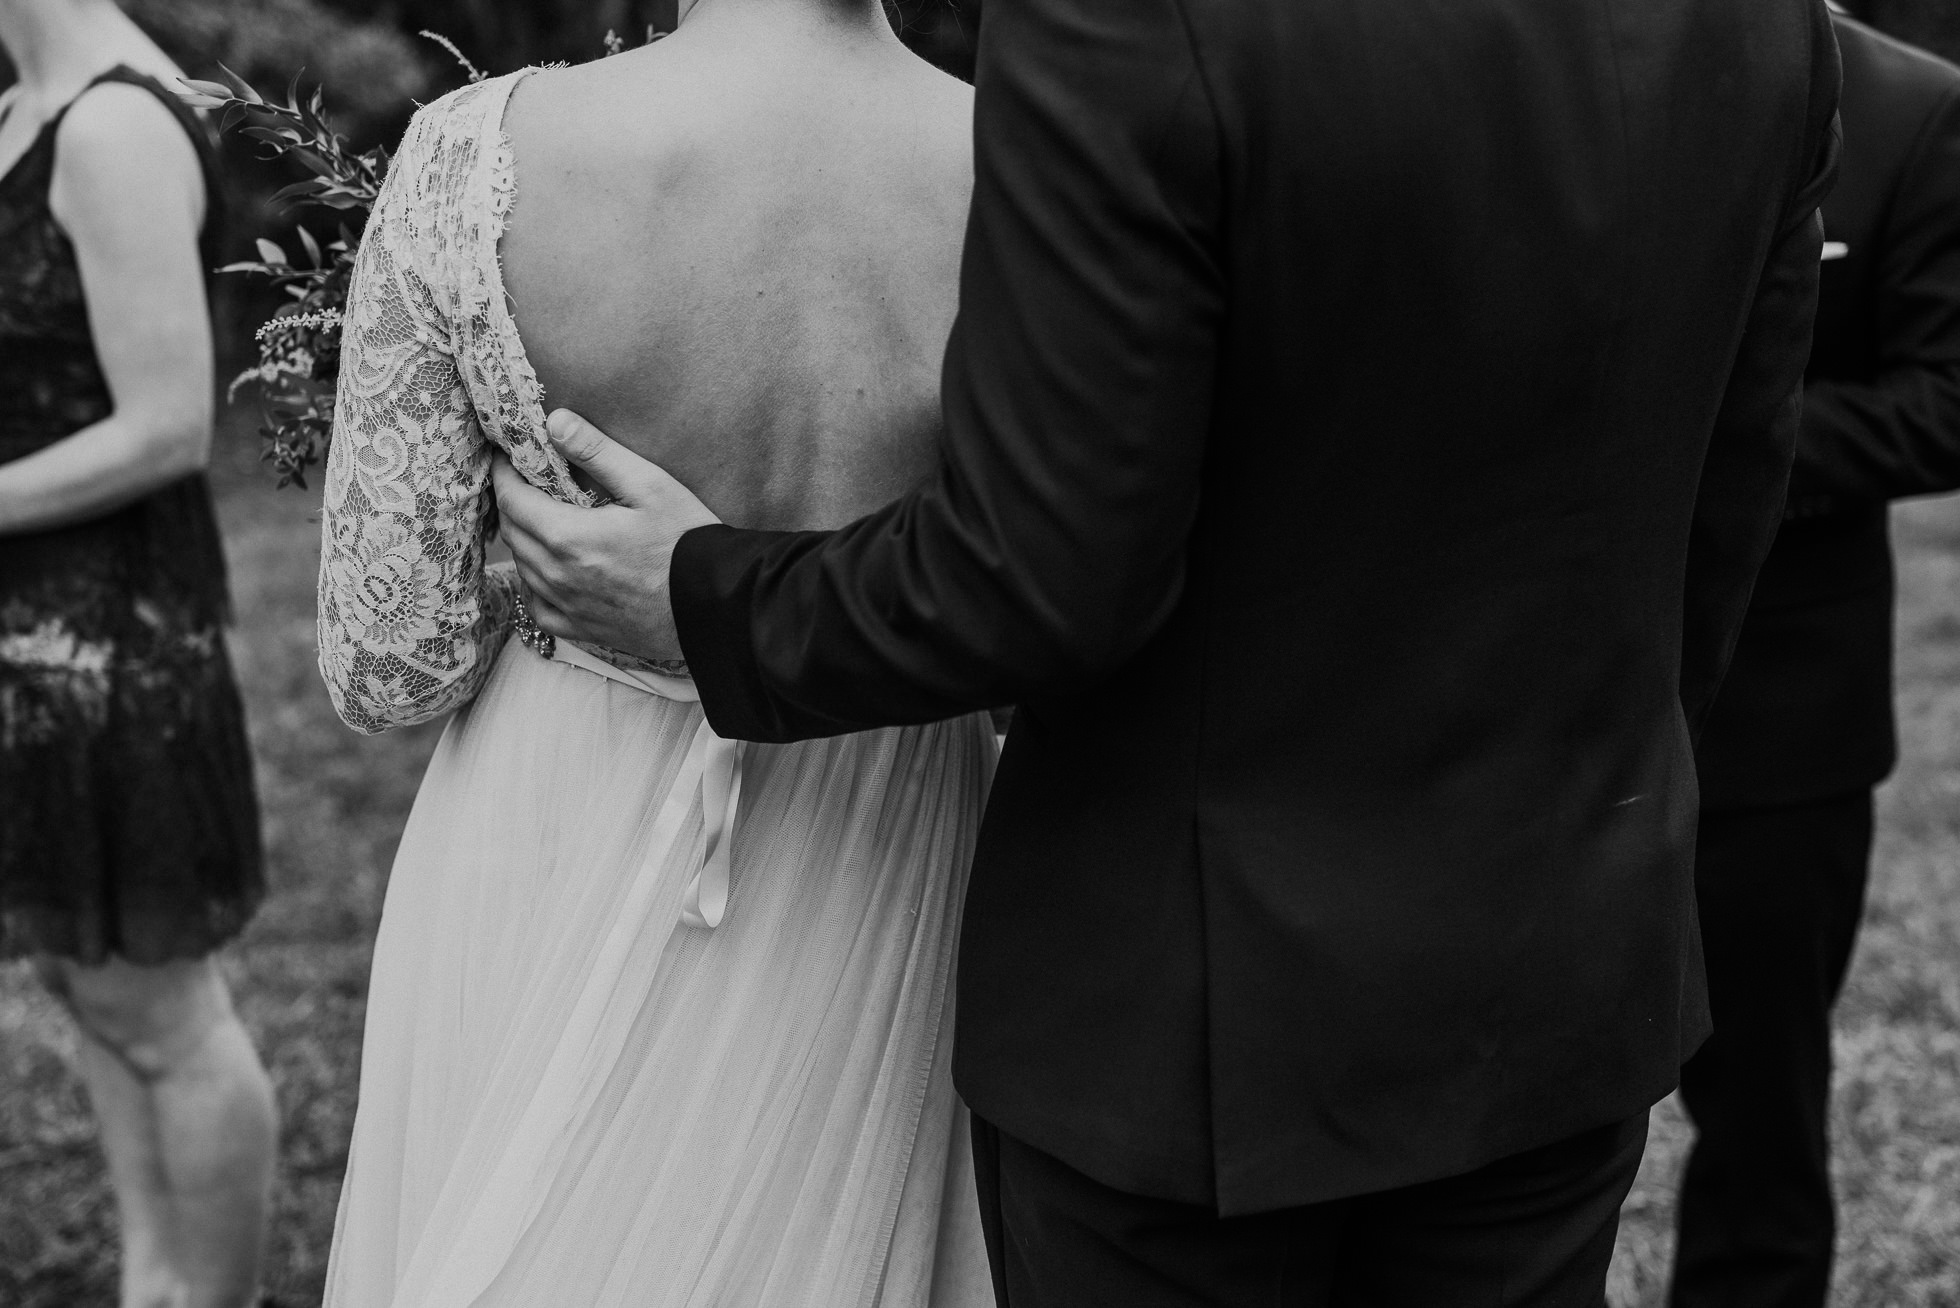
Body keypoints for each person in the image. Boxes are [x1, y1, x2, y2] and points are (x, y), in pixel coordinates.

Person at [492, 0, 1845, 1302]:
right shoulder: (1762, 22)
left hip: (1199, 1031)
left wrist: (708, 599)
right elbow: (1728, 500)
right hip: (1560, 964)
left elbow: (1044, 574)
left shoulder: (1133, 17)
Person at [314, 1, 994, 1303]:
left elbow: (388, 662)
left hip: (561, 812)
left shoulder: (480, 154)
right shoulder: (1027, 170)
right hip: (888, 811)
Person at [1672, 11, 1960, 1308]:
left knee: (1760, 1132)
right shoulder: (1587, 76)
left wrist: (1724, 443)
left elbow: (1945, 405)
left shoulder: (1919, 108)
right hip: (1551, 707)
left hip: (1783, 733)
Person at [0, 1, 276, 1306]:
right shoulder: (30, 111)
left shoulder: (111, 123)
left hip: (111, 649)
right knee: (92, 980)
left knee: (166, 1016)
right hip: (37, 646)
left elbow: (167, 425)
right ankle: (153, 1279)